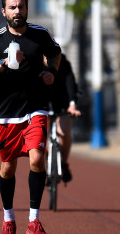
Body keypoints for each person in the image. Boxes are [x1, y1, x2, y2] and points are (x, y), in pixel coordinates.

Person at [0, 0, 61, 234]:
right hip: (7, 112)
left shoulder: (40, 34)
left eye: (21, 6)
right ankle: (8, 217)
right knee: (8, 168)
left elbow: (55, 53)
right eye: (12, 7)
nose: (17, 11)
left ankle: (34, 221)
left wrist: (52, 73)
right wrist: (3, 63)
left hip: (36, 107)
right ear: (4, 11)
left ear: (27, 9)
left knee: (36, 157)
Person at [47, 53, 81, 183]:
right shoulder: (35, 61)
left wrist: (72, 104)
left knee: (64, 133)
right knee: (40, 137)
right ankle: (44, 167)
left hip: (63, 103)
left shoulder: (63, 62)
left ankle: (64, 164)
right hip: (42, 103)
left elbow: (70, 82)